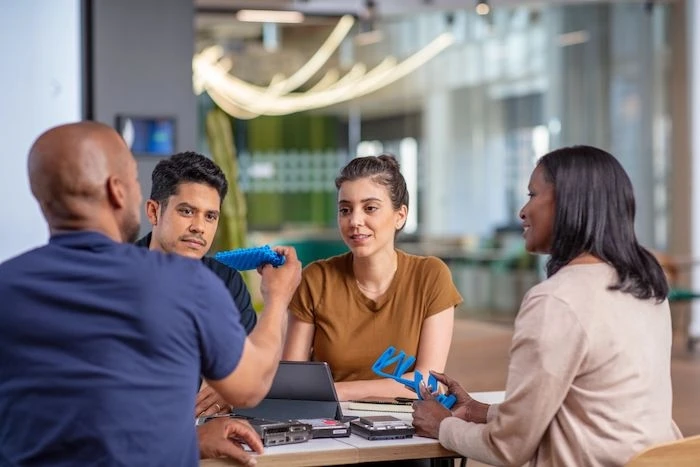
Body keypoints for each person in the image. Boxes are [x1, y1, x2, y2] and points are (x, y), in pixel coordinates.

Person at [0, 122, 301, 466]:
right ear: (118, 191)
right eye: (133, 179)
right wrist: (278, 297)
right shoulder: (185, 284)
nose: (199, 226)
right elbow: (250, 386)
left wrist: (190, 438)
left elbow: (83, 417)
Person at [412, 145, 681, 466]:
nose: (522, 212)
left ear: (568, 202)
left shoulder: (556, 299)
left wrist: (442, 425)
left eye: (532, 194)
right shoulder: (644, 286)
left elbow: (508, 448)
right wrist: (480, 411)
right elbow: (594, 409)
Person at [283, 154, 462, 401]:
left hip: (408, 425)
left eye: (370, 208)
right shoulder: (316, 279)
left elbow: (429, 383)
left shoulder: (431, 276)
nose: (355, 221)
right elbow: (292, 381)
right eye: (345, 209)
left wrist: (336, 391)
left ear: (400, 216)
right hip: (330, 425)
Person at [133, 152, 256, 419]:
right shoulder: (115, 276)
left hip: (209, 426)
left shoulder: (227, 281)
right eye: (187, 211)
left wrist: (229, 391)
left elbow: (250, 366)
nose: (199, 227)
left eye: (210, 216)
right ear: (154, 211)